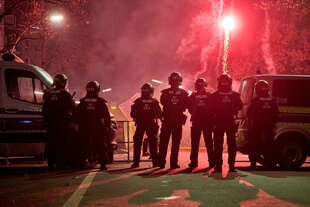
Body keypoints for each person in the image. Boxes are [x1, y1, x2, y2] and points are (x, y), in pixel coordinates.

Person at [208, 74, 243, 172]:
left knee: (218, 144)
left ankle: (218, 165)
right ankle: (231, 165)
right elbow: (240, 106)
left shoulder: (214, 96)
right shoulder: (235, 95)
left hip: (219, 121)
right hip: (230, 120)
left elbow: (209, 109)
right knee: (231, 144)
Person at [75, 81, 111, 171]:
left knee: (84, 146)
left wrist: (78, 124)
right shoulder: (100, 102)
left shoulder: (82, 102)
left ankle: (81, 164)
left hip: (85, 127)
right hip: (98, 126)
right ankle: (103, 164)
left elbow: (77, 115)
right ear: (97, 89)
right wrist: (108, 126)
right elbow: (106, 116)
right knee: (101, 146)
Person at [42, 74, 75, 169]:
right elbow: (72, 108)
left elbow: (44, 110)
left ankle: (51, 163)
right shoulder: (65, 94)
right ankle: (63, 164)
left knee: (51, 143)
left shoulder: (48, 94)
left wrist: (47, 121)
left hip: (50, 124)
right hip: (62, 123)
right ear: (64, 82)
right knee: (63, 143)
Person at [158, 72, 190, 169]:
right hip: (177, 120)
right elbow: (187, 105)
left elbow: (162, 102)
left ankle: (161, 163)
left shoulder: (164, 93)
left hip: (167, 120)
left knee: (163, 143)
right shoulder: (184, 93)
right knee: (176, 143)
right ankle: (173, 164)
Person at [246, 80, 279, 169]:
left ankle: (253, 163)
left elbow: (249, 113)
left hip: (257, 126)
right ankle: (271, 162)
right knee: (270, 144)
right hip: (268, 127)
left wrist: (251, 123)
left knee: (254, 144)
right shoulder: (273, 100)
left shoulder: (255, 101)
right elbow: (276, 113)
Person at [130, 83, 162, 168]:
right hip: (151, 124)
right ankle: (155, 162)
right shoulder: (154, 102)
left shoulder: (138, 101)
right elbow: (159, 114)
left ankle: (136, 162)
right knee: (153, 144)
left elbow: (132, 114)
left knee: (137, 143)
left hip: (140, 124)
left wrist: (139, 115)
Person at [188, 78, 214, 169]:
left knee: (194, 143)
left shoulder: (192, 95)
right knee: (209, 143)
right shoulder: (210, 95)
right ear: (205, 85)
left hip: (196, 121)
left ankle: (194, 162)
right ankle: (212, 162)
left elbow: (189, 108)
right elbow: (212, 108)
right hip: (207, 121)